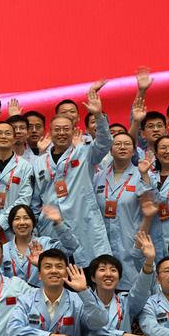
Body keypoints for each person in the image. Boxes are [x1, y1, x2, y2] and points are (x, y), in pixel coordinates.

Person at [31, 83, 113, 267]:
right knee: (56, 271)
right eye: (57, 129)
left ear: (73, 130)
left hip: (83, 223)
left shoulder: (85, 152)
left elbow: (105, 142)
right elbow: (35, 200)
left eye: (66, 129)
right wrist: (35, 229)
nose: (61, 133)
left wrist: (98, 116)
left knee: (89, 270)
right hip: (51, 226)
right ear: (50, 132)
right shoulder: (39, 162)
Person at [6, 248, 108, 336]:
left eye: (59, 266)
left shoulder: (78, 301)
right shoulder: (26, 300)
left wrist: (84, 291)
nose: (54, 271)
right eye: (48, 267)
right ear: (40, 275)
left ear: (66, 274)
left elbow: (99, 322)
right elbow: (13, 330)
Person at [94, 133, 156, 287]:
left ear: (134, 150)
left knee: (132, 287)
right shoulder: (98, 177)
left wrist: (144, 175)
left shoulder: (142, 174)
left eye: (127, 144)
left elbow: (151, 203)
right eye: (117, 144)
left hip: (130, 241)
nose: (122, 147)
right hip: (103, 243)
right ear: (110, 150)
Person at [86, 232, 154, 336]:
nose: (108, 274)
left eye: (113, 270)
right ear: (93, 277)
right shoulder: (83, 302)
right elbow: (91, 332)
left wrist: (149, 262)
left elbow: (141, 289)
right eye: (102, 269)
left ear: (119, 278)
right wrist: (126, 335)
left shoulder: (125, 302)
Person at [3, 204, 79, 286]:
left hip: (43, 293)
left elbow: (71, 247)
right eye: (17, 219)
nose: (22, 222)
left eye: (26, 218)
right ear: (11, 224)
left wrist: (59, 223)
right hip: (13, 293)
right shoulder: (3, 250)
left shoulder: (46, 243)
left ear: (33, 222)